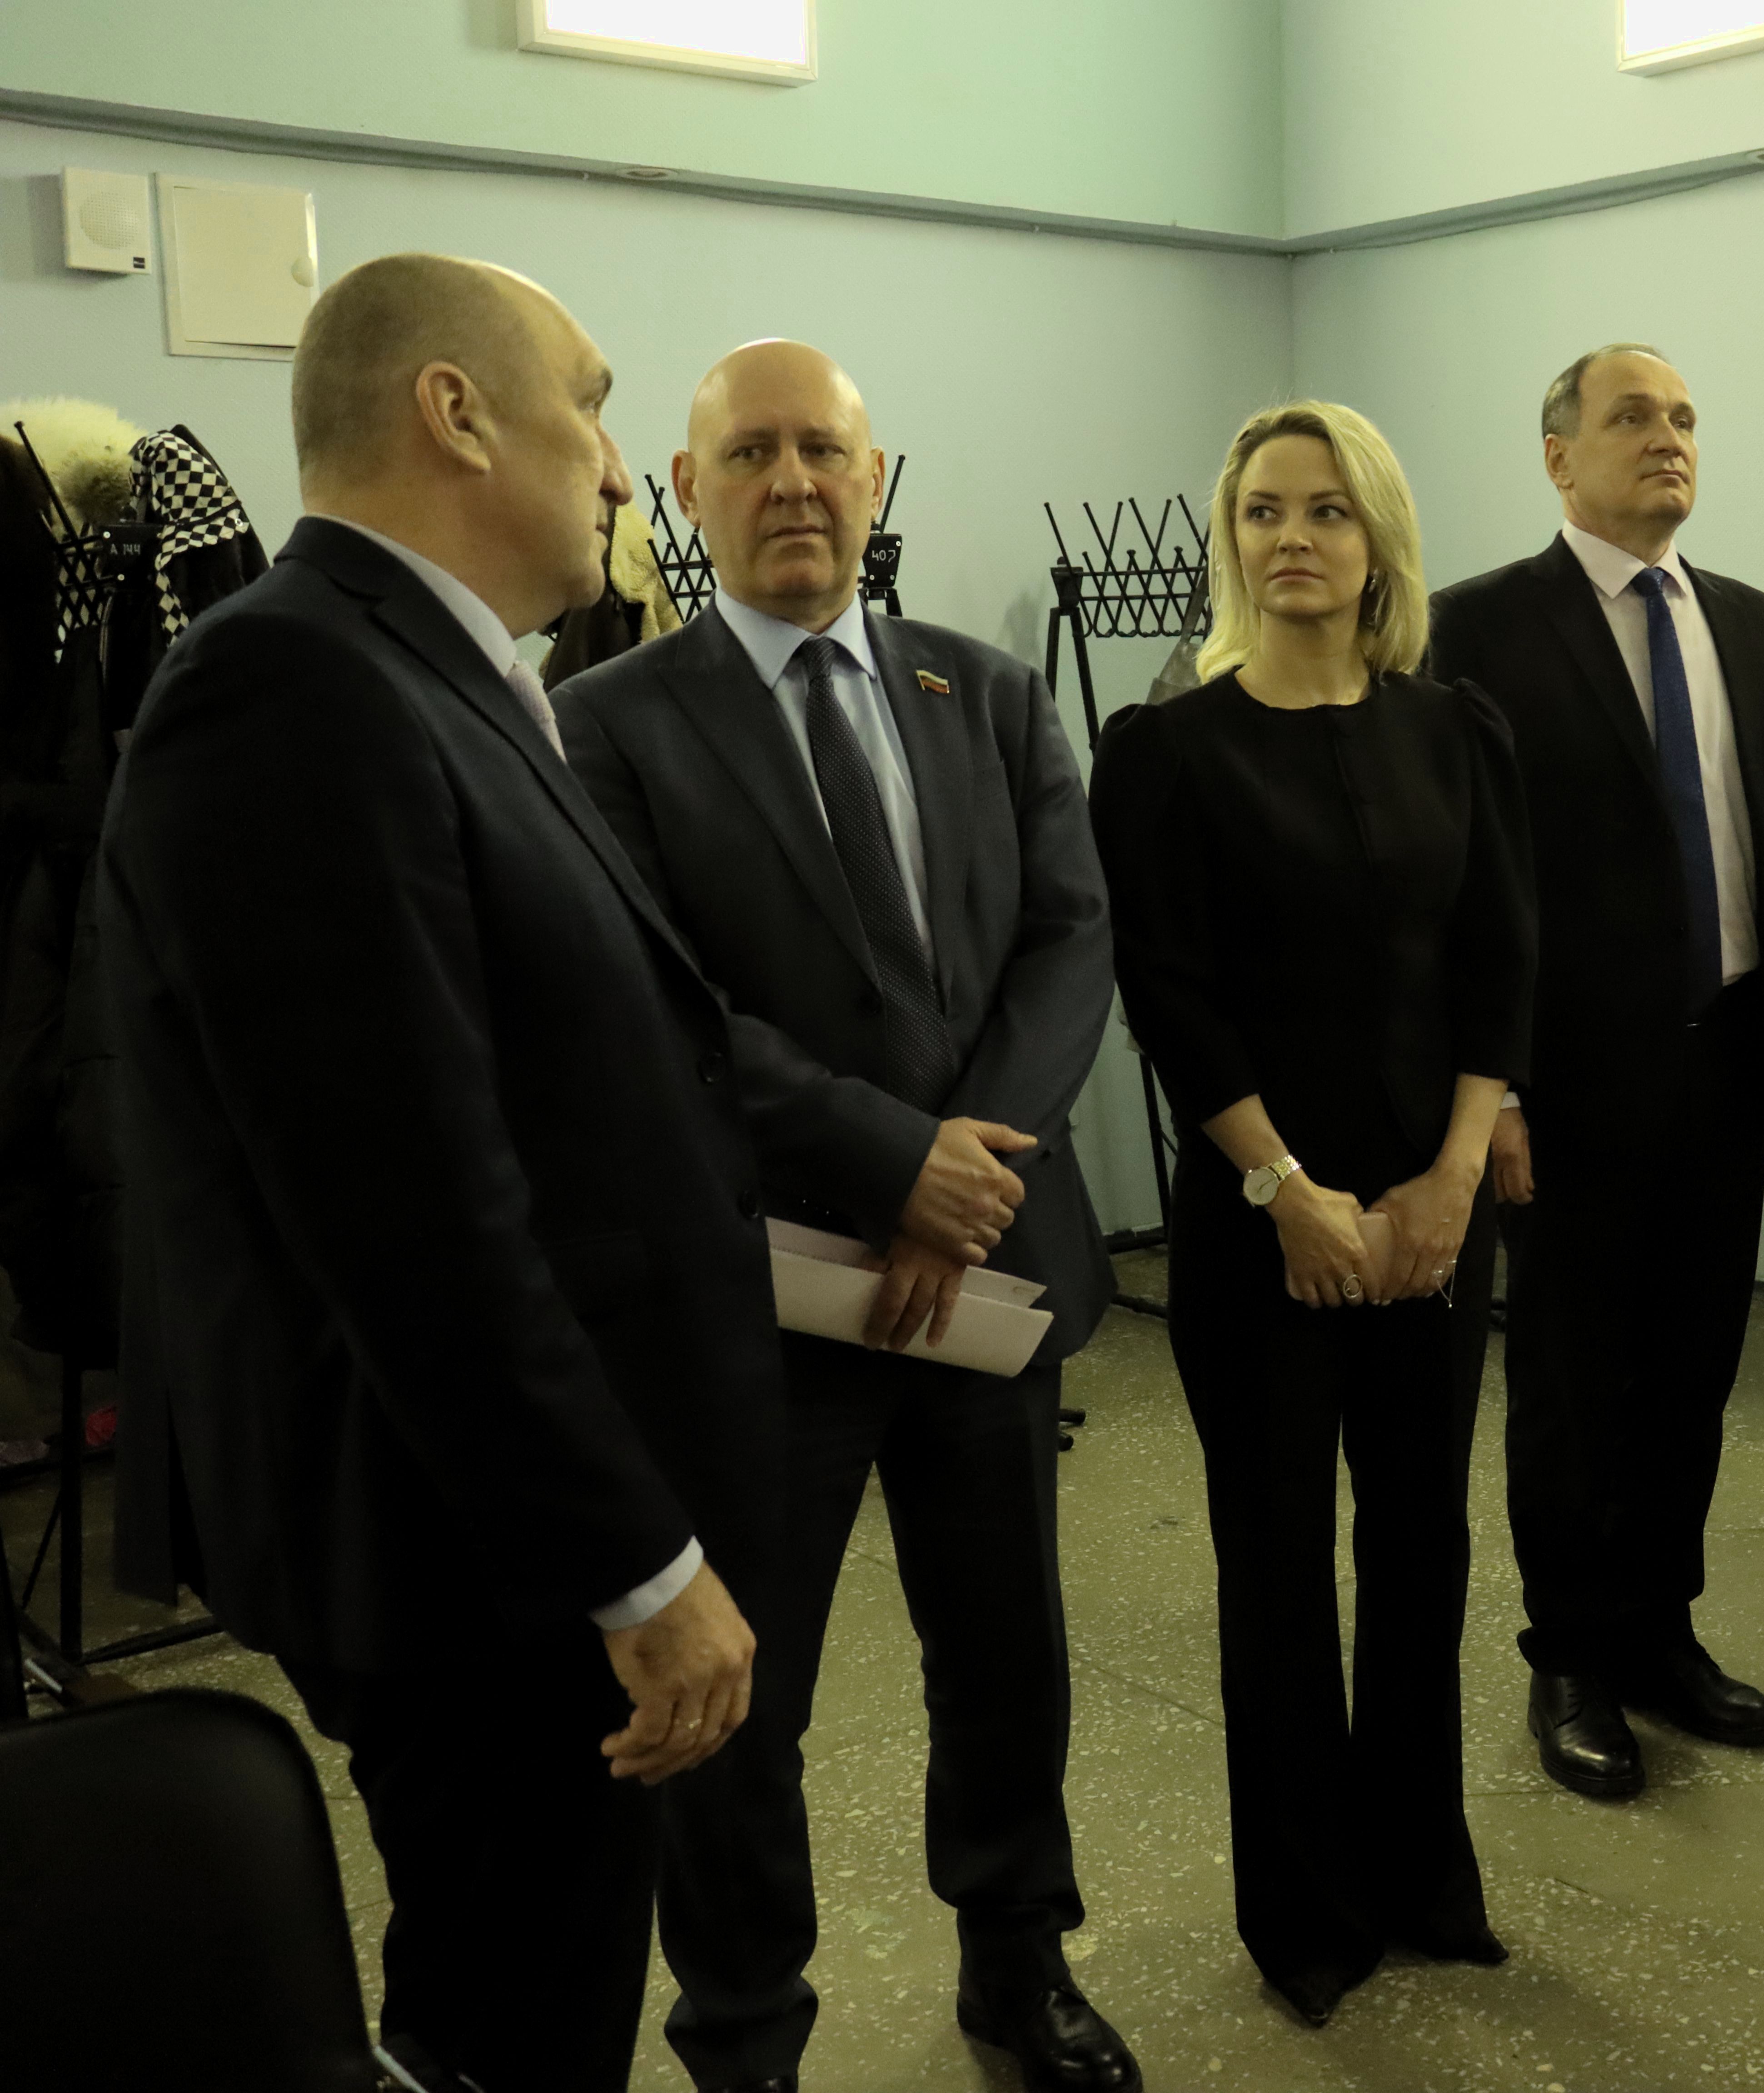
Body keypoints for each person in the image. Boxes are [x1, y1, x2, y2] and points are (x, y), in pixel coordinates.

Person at [99, 253, 783, 2093]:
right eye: (593, 402)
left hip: (511, 1512)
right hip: (470, 1547)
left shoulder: (443, 675)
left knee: (538, 1979)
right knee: (514, 2013)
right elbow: (407, 1207)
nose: (624, 467)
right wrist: (636, 1564)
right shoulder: (287, 685)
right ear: (457, 413)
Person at [555, 342, 1135, 2093]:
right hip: (760, 1300)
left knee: (1005, 1657)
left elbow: (1067, 936)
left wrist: (971, 1174)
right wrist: (896, 1161)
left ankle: (1018, 1965)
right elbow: (652, 1006)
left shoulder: (987, 693)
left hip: (983, 1277)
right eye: (751, 452)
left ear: (875, 479)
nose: (793, 479)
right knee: (746, 1696)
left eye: (824, 448)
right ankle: (744, 2033)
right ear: (686, 488)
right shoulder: (604, 724)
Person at [1088, 401, 1535, 2028]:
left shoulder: (1455, 728)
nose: (1293, 537)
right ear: (1233, 539)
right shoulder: (1166, 751)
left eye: (1327, 510)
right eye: (1264, 510)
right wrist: (1284, 1187)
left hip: (1430, 1218)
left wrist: (1451, 1172)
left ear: (1376, 540)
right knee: (1275, 1563)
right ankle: (1305, 1909)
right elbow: (1170, 993)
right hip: (1256, 1221)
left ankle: (1421, 1873)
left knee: (1422, 1546)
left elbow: (1501, 959)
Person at [1428, 345, 1764, 1799]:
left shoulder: (1746, 623)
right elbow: (1458, 885)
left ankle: (1658, 1630)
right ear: (1558, 455)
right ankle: (1568, 1651)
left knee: (1689, 1370)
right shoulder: (1477, 628)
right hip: (1562, 1084)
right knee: (1571, 1383)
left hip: (1722, 1058)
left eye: (1681, 417)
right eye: (1630, 417)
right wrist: (1489, 1091)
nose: (1665, 438)